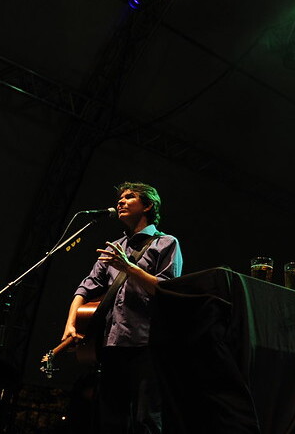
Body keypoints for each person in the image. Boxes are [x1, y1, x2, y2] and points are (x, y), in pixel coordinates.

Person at [62, 182, 183, 433]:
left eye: (130, 197)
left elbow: (166, 291)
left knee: (146, 421)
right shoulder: (113, 248)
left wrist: (129, 267)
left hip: (147, 345)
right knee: (111, 421)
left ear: (148, 205)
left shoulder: (166, 243)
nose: (121, 201)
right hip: (111, 345)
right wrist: (70, 324)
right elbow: (85, 287)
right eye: (120, 198)